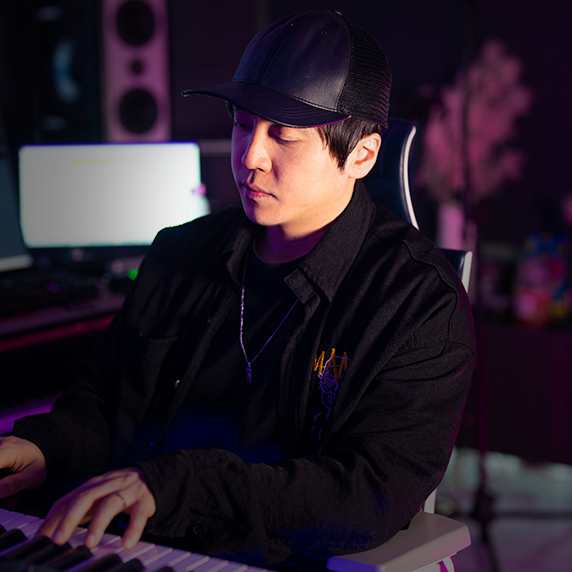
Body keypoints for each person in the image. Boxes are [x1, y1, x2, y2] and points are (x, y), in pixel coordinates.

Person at [0, 9, 476, 571]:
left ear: (363, 154)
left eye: (283, 136)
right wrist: (45, 446)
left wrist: (178, 487)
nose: (250, 157)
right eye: (243, 125)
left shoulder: (419, 302)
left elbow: (368, 493)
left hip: (263, 555)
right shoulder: (180, 251)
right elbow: (104, 402)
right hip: (125, 540)